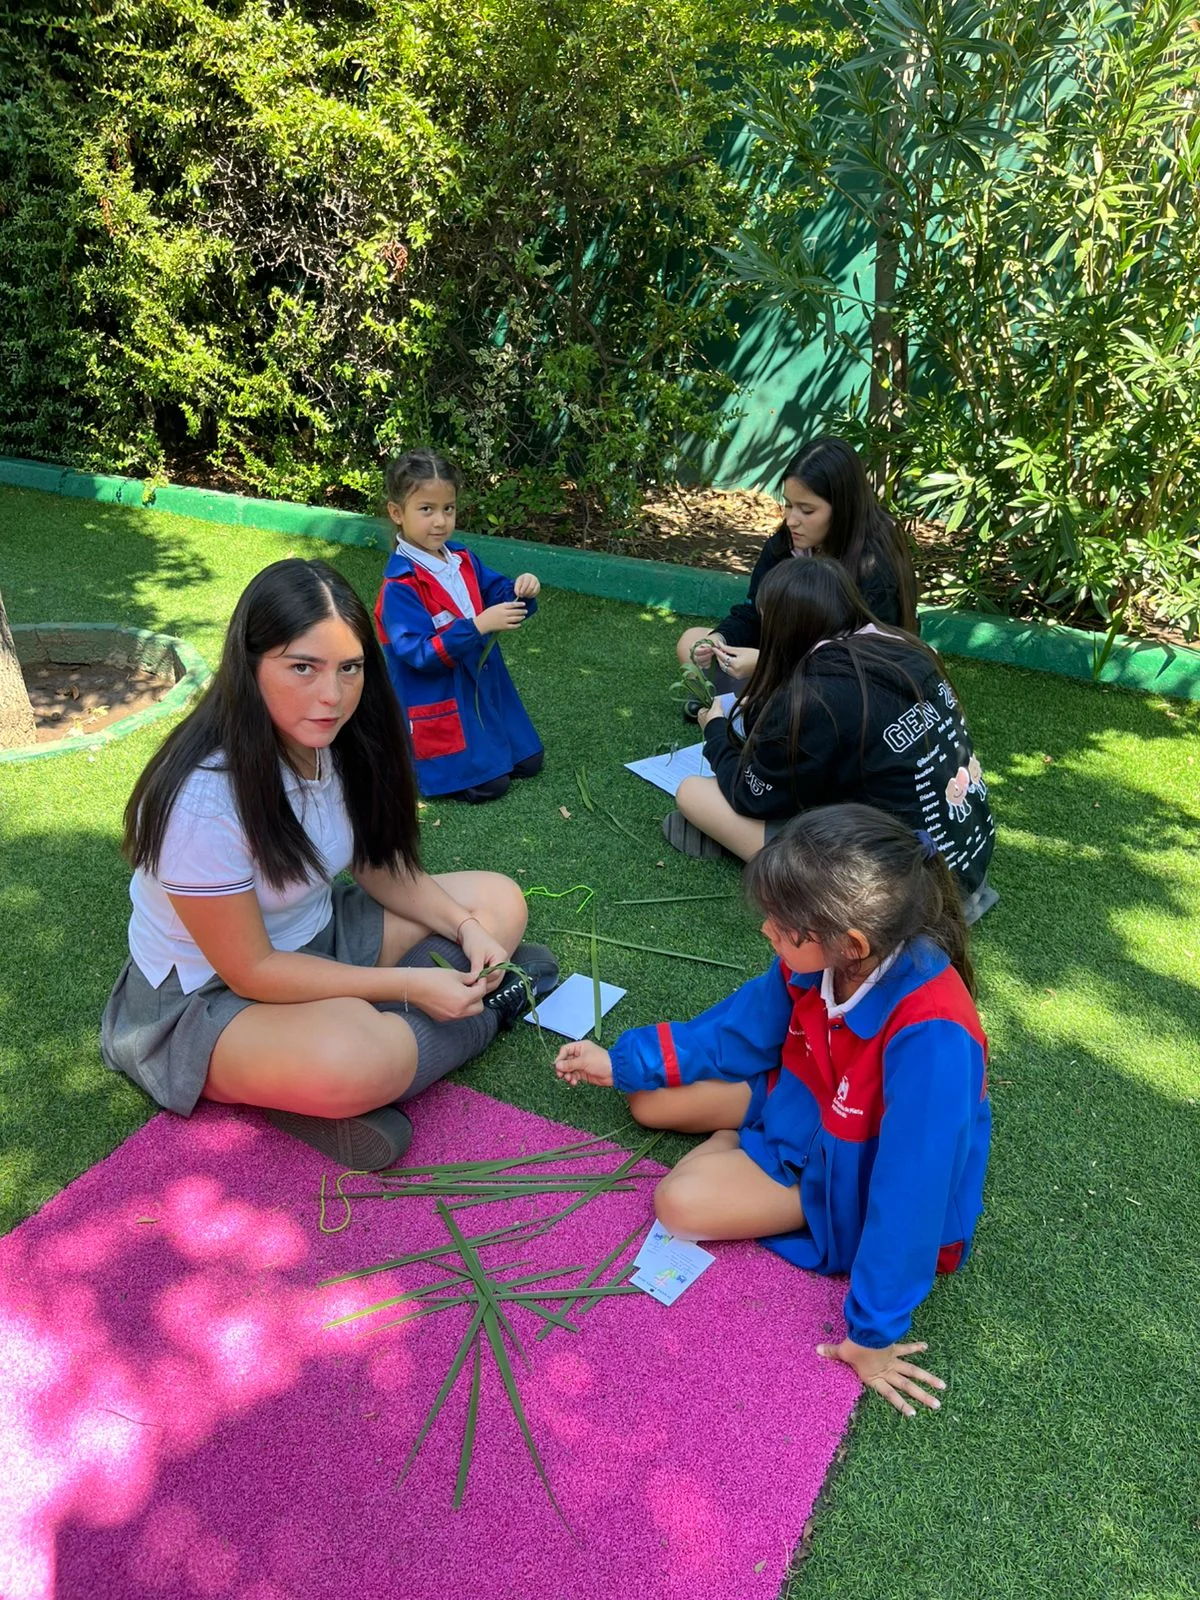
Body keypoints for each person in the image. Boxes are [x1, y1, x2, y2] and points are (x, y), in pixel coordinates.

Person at [101, 558, 558, 1170]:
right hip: (209, 996)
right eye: (303, 667)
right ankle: (475, 1016)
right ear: (250, 665)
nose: (332, 696)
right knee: (360, 1059)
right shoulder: (202, 799)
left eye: (350, 668)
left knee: (499, 902)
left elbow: (376, 866)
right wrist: (408, 985)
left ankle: (357, 1050)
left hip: (320, 933)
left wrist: (466, 927)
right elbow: (253, 971)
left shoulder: (340, 738)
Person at [554, 804, 990, 1417]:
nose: (767, 930)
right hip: (802, 1100)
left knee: (677, 1204)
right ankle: (740, 1141)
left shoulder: (934, 1035)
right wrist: (623, 1063)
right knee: (646, 1098)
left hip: (848, 1172)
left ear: (851, 943)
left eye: (783, 925)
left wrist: (873, 1335)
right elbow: (735, 1031)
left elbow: (911, 1192)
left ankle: (738, 1145)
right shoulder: (823, 957)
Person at [664, 558, 997, 924]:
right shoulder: (906, 647)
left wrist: (714, 731)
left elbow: (752, 795)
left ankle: (756, 857)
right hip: (967, 865)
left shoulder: (817, 696)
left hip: (903, 897)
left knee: (693, 794)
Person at [675, 436, 919, 717]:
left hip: (849, 679)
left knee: (819, 703)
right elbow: (753, 613)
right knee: (692, 641)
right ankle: (747, 706)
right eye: (789, 505)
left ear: (843, 507)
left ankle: (742, 708)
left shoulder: (875, 563)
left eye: (807, 510)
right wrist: (720, 639)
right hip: (785, 663)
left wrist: (766, 664)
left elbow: (867, 660)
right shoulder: (786, 544)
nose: (791, 520)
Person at [375, 447, 544, 803]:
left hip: (482, 682)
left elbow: (496, 590)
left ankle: (490, 751)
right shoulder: (400, 586)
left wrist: (521, 589)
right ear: (397, 513)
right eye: (427, 509)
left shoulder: (462, 557)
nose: (440, 521)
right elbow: (419, 654)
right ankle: (438, 767)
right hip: (438, 692)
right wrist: (478, 626)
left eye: (448, 509)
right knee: (492, 786)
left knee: (530, 763)